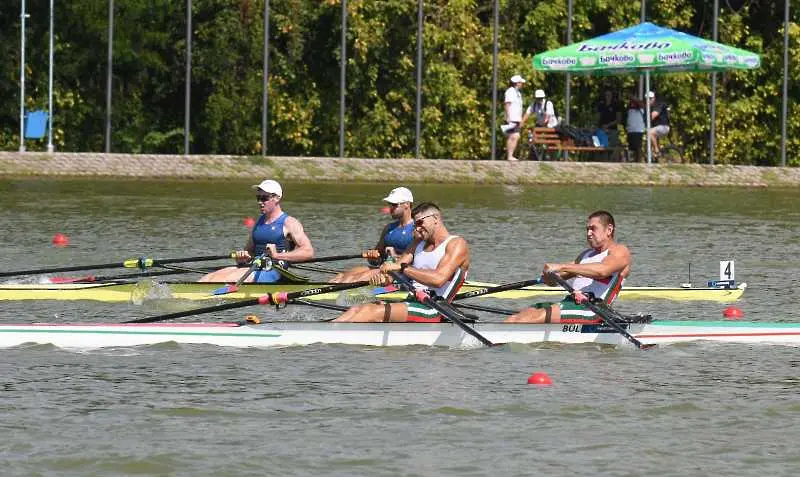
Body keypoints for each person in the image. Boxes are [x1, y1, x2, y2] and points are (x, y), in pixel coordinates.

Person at [334, 202, 470, 322]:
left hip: (435, 307)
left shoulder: (456, 244)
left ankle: (330, 336)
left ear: (435, 219)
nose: (416, 228)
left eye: (420, 222)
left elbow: (438, 280)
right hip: (411, 298)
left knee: (370, 311)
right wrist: (385, 278)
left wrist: (403, 268)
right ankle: (323, 333)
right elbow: (396, 268)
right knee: (357, 308)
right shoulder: (418, 243)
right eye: (415, 224)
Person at [505, 211, 631, 323]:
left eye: (593, 229)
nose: (588, 233)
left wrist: (562, 266)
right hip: (571, 304)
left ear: (609, 229)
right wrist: (548, 276)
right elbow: (554, 281)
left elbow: (603, 271)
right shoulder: (585, 255)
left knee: (532, 318)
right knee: (520, 316)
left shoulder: (620, 251)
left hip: (593, 310)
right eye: (587, 229)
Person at [198, 179, 314, 283]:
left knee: (222, 280)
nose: (260, 202)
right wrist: (242, 257)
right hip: (255, 267)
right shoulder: (258, 222)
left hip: (274, 272)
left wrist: (277, 255)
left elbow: (308, 252)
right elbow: (249, 252)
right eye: (258, 198)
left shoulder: (289, 223)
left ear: (277, 198)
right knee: (208, 278)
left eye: (264, 198)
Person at [329, 186, 416, 283]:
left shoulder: (417, 229)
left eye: (394, 205)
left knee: (351, 280)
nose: (390, 208)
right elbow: (376, 260)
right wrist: (372, 255)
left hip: (400, 274)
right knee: (342, 276)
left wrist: (395, 256)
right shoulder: (389, 228)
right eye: (389, 205)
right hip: (383, 268)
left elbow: (418, 261)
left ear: (407, 205)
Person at [502, 75, 527, 161]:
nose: (522, 84)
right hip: (511, 118)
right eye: (520, 82)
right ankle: (509, 156)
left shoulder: (518, 93)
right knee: (513, 136)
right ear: (516, 83)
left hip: (516, 119)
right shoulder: (510, 91)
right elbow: (507, 104)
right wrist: (508, 116)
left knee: (516, 136)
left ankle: (510, 155)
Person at [596, 89, 622, 157]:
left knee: (613, 147)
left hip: (612, 130)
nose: (608, 96)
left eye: (609, 95)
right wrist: (598, 126)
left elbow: (618, 119)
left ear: (612, 96)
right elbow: (598, 118)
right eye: (606, 95)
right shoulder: (601, 105)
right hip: (602, 130)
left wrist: (608, 125)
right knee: (600, 146)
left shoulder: (616, 105)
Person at [647, 91, 671, 159]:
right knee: (651, 137)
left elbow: (653, 115)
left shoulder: (658, 104)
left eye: (650, 98)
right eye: (647, 98)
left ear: (654, 98)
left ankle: (657, 151)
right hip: (658, 127)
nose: (649, 100)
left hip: (664, 127)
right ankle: (656, 155)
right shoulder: (651, 106)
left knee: (650, 132)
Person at [625, 93, 645, 163]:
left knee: (638, 147)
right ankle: (632, 161)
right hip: (630, 130)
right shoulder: (629, 108)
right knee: (631, 147)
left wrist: (632, 97)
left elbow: (640, 103)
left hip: (638, 130)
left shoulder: (641, 107)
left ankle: (639, 162)